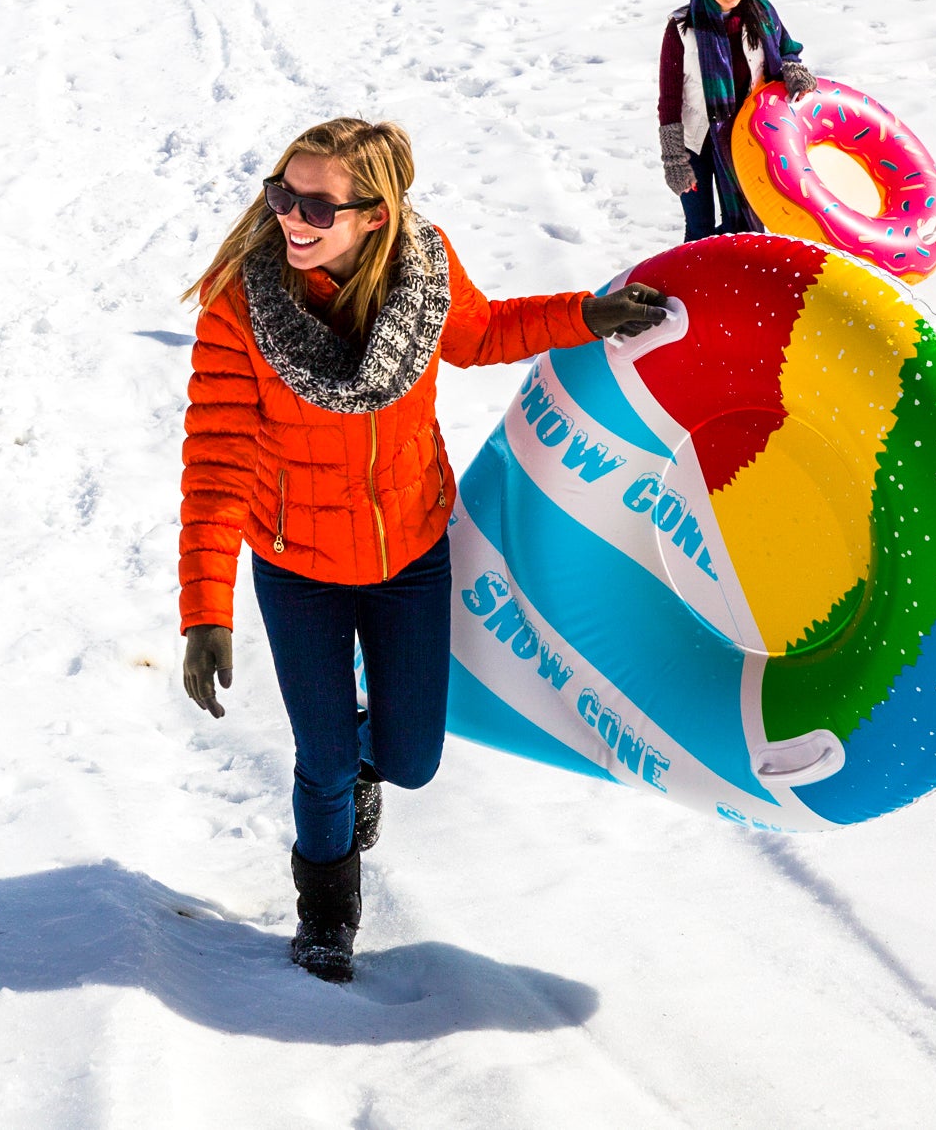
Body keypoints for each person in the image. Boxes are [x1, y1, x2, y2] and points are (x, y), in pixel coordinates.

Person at [176, 118, 668, 984]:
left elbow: (482, 334)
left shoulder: (423, 270)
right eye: (281, 195)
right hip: (297, 566)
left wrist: (586, 315)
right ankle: (327, 914)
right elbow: (216, 461)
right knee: (321, 762)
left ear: (374, 214)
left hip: (410, 552)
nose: (290, 216)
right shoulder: (240, 304)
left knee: (410, 758)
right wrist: (205, 612)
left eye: (315, 204)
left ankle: (365, 763)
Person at [658, 0, 817, 241]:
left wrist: (793, 71)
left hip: (747, 136)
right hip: (697, 141)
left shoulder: (761, 13)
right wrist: (675, 159)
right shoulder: (682, 27)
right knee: (700, 229)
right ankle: (694, 289)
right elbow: (670, 98)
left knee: (745, 226)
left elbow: (788, 48)